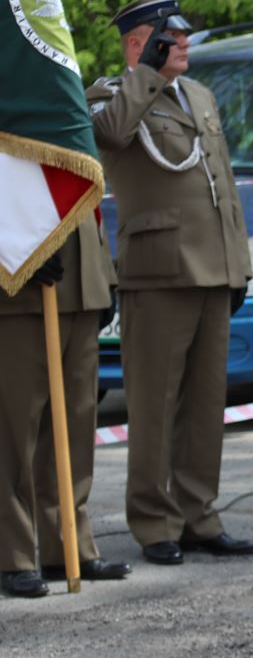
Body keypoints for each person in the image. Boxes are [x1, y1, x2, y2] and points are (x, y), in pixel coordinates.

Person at [86, 0, 253, 564]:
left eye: (182, 35)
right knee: (155, 407)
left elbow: (222, 185)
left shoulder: (199, 95)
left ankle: (197, 516)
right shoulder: (115, 94)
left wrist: (239, 265)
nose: (184, 43)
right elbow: (110, 135)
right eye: (171, 36)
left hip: (213, 270)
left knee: (205, 408)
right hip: (158, 273)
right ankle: (153, 522)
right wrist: (146, 76)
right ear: (140, 43)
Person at [0, 215, 130, 597]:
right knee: (13, 434)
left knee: (74, 430)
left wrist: (103, 277)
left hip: (82, 288)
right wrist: (13, 256)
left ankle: (69, 547)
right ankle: (13, 557)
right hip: (18, 293)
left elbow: (89, 201)